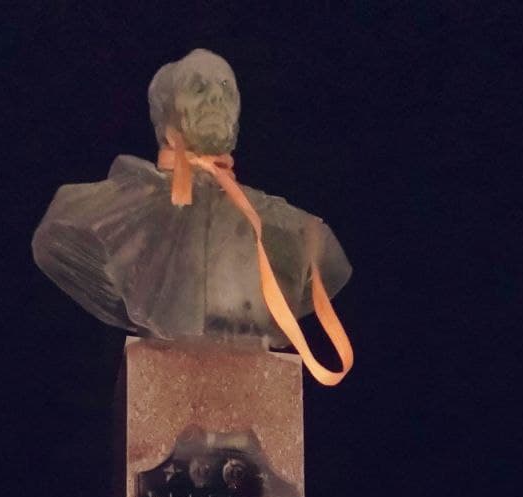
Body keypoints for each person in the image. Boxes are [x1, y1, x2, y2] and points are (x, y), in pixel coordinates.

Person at [32, 49, 351, 349]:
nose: (215, 97)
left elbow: (326, 262)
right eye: (198, 88)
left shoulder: (293, 230)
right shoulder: (111, 209)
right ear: (166, 112)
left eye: (226, 88)